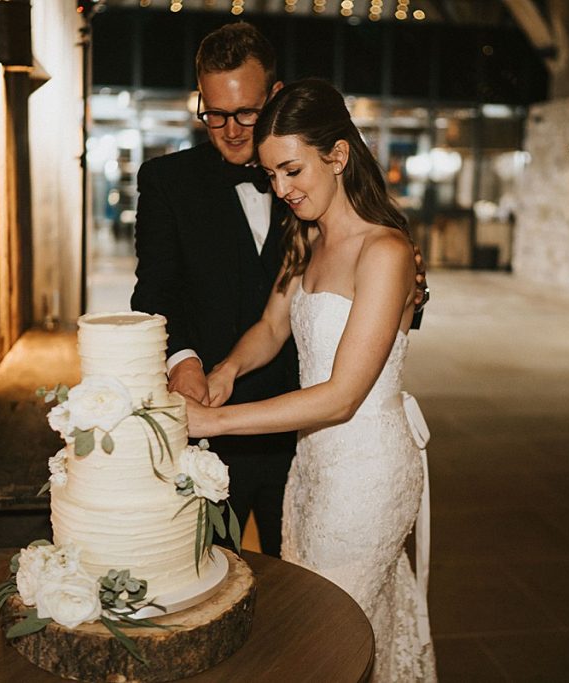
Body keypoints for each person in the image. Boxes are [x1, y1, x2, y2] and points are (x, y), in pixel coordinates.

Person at [186, 79, 437, 682]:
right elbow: (272, 329)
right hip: (313, 466)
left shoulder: (386, 253)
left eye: (292, 170)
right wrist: (224, 370)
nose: (282, 190)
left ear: (338, 155)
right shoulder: (306, 236)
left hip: (368, 475)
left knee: (330, 637)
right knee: (336, 624)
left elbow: (343, 395)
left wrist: (215, 422)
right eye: (271, 176)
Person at [130, 22, 296, 557]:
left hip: (308, 429)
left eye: (246, 112)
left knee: (306, 597)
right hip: (209, 431)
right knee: (208, 579)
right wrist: (182, 359)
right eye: (215, 113)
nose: (230, 129)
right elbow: (153, 291)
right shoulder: (165, 182)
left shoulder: (313, 179)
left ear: (274, 96)